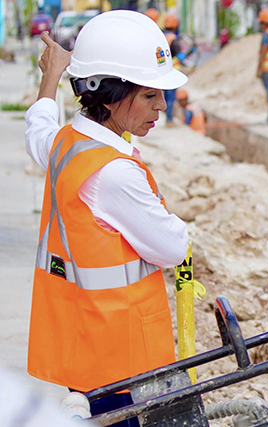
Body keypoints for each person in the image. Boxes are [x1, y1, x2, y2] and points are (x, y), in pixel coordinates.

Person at [24, 10, 189, 426]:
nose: (162, 106)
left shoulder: (68, 145)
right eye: (150, 95)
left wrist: (52, 78)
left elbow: (38, 129)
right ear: (111, 93)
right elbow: (173, 247)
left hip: (85, 351)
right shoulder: (114, 173)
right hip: (126, 364)